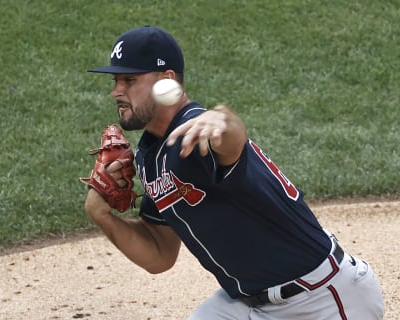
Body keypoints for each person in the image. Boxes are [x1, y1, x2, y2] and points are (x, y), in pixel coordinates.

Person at [85, 25, 384, 320]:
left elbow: (232, 142)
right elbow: (159, 255)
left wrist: (224, 121)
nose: (116, 92)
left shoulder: (197, 133)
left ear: (167, 82)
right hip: (247, 305)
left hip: (321, 299)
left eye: (128, 79)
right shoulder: (150, 158)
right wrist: (101, 215)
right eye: (115, 80)